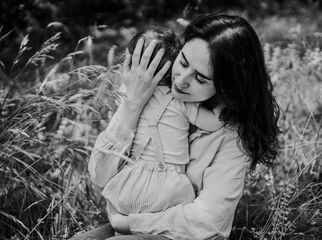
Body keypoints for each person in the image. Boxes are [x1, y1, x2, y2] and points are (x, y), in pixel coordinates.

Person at [71, 13, 280, 240]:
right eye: (183, 62)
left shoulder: (233, 136)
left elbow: (209, 222)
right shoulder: (150, 95)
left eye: (200, 79)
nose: (180, 81)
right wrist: (132, 104)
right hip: (131, 220)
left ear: (227, 87)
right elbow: (100, 176)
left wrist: (129, 223)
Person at [102, 28, 223, 217]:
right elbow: (213, 123)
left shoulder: (128, 94)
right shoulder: (180, 102)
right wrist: (223, 105)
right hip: (168, 186)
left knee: (122, 228)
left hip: (131, 179)